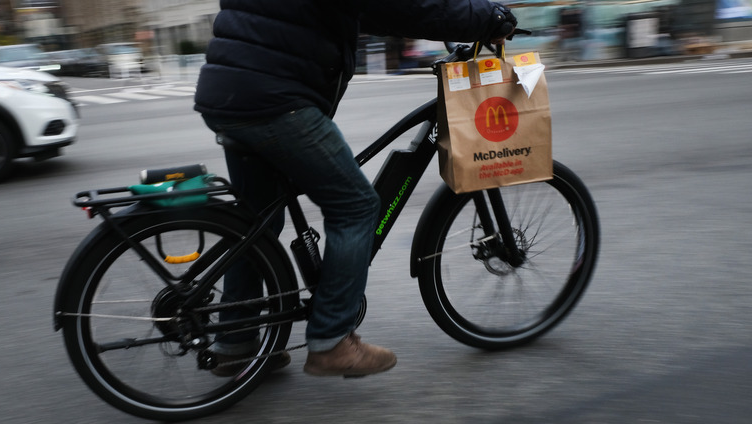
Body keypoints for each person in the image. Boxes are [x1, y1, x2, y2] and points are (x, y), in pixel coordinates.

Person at [194, 1, 517, 378]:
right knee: (357, 206)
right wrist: (487, 18)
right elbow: (395, 7)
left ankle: (236, 343)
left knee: (259, 221)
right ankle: (332, 342)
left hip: (231, 88)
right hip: (276, 98)